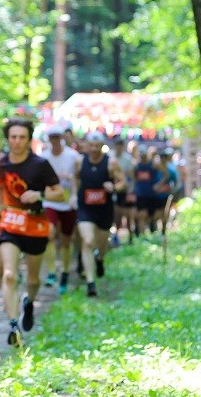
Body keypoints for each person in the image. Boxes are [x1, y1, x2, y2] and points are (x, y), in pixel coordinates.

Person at [0, 117, 64, 346]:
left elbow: (60, 193)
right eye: (13, 137)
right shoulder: (0, 164)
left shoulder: (40, 164)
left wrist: (40, 195)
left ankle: (29, 302)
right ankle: (13, 325)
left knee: (33, 279)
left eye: (22, 137)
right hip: (10, 222)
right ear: (7, 138)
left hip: (35, 225)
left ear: (28, 139)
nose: (17, 141)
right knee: (9, 274)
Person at [75, 132, 126, 297]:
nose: (94, 149)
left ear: (102, 146)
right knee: (88, 241)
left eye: (97, 146)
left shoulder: (110, 163)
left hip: (104, 209)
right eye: (91, 146)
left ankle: (100, 259)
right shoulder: (80, 161)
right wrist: (74, 195)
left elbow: (123, 182)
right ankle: (90, 282)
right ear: (87, 146)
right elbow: (75, 178)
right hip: (85, 208)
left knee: (102, 243)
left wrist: (114, 187)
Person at [40, 125, 81, 295]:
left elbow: (79, 177)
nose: (55, 140)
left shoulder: (73, 156)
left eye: (58, 137)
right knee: (49, 233)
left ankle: (64, 271)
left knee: (66, 239)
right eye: (52, 137)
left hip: (67, 201)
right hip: (50, 201)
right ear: (48, 139)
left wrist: (74, 193)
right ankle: (51, 271)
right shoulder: (43, 158)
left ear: (62, 138)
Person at [111, 137, 136, 245]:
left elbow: (131, 176)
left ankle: (131, 237)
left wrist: (130, 189)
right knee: (116, 215)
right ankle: (116, 236)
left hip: (125, 191)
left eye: (120, 145)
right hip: (113, 190)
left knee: (128, 215)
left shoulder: (127, 159)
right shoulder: (110, 157)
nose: (118, 147)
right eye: (117, 145)